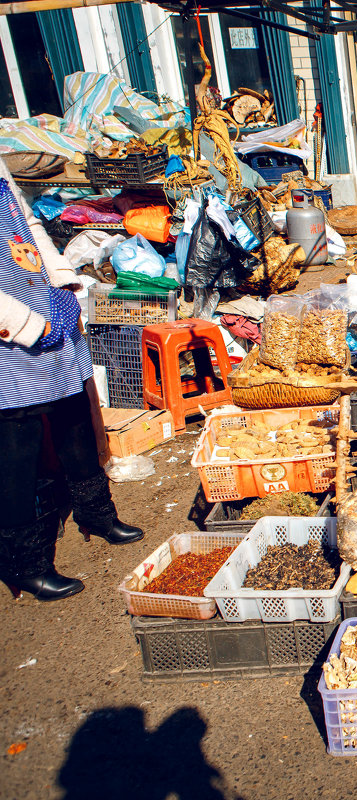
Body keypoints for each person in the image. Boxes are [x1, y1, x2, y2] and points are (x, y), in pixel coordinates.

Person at [0, 158, 143, 602]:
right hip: (11, 330)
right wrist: (22, 324)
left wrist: (62, 280)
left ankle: (96, 514)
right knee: (16, 452)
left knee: (74, 419)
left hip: (44, 304)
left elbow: (27, 225)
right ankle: (26, 563)